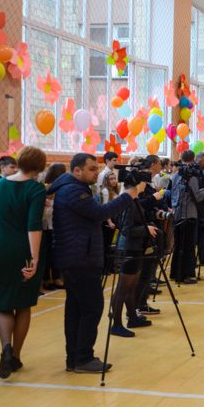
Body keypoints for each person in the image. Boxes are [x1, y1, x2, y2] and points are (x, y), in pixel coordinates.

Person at [49, 153, 143, 373]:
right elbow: (99, 213)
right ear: (77, 170)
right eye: (92, 169)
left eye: (96, 168)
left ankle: (75, 358)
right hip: (79, 257)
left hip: (78, 256)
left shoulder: (74, 188)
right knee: (91, 307)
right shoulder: (72, 190)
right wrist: (127, 196)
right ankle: (83, 358)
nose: (96, 172)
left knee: (76, 309)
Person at [0, 147, 46, 378]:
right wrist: (35, 258)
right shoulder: (36, 188)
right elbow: (33, 225)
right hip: (23, 247)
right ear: (39, 167)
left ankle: (5, 349)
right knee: (23, 303)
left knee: (4, 302)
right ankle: (16, 356)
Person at [110, 156, 166, 337]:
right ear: (138, 184)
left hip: (135, 247)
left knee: (132, 287)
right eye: (143, 181)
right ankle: (116, 323)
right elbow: (126, 229)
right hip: (128, 249)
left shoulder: (133, 200)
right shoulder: (128, 201)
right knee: (123, 288)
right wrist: (145, 228)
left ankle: (132, 317)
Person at [170, 151, 204, 283]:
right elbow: (197, 196)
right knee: (189, 246)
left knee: (178, 245)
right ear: (193, 160)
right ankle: (187, 275)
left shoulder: (176, 175)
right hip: (189, 214)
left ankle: (175, 272)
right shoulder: (192, 176)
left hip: (177, 213)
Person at [40, 164, 67, 291]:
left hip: (56, 224)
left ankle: (56, 277)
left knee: (56, 253)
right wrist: (52, 204)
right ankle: (47, 279)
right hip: (46, 225)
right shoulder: (47, 187)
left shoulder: (62, 187)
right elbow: (46, 208)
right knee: (47, 254)